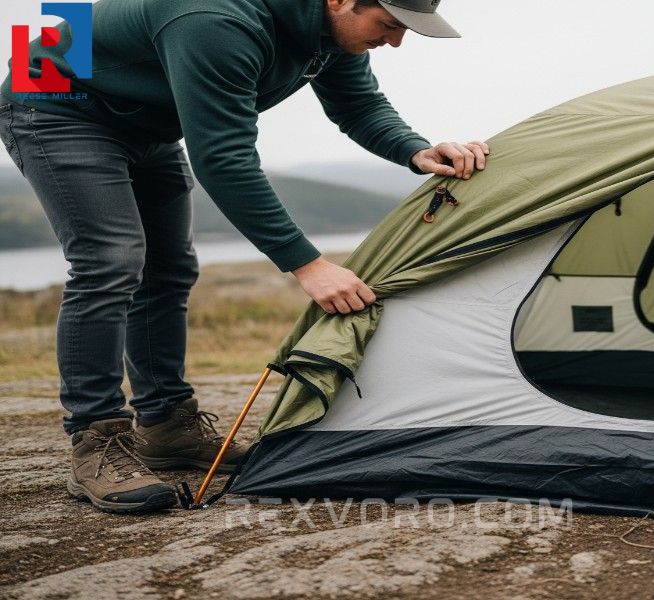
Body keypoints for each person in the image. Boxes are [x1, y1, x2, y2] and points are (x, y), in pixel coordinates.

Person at [0, 0, 490, 513]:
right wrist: (308, 264)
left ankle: (167, 425)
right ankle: (96, 440)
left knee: (169, 270)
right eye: (389, 25)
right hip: (53, 98)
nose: (396, 42)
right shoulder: (217, 20)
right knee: (112, 260)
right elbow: (223, 157)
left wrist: (416, 150)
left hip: (147, 123)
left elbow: (358, 106)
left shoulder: (330, 32)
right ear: (342, 0)